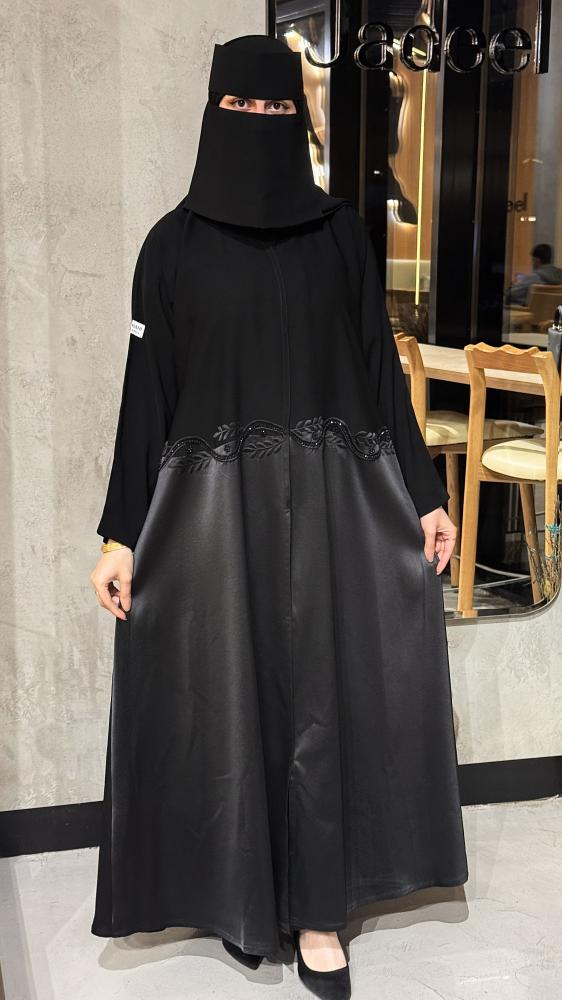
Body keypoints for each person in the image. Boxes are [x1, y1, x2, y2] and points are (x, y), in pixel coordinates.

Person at [89, 34, 468, 1000]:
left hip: (335, 516)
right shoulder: (169, 248)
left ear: (297, 119)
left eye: (274, 109)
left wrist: (427, 494)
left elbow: (379, 375)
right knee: (227, 701)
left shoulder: (339, 236)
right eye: (241, 108)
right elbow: (146, 398)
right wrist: (121, 534)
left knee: (321, 706)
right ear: (213, 113)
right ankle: (245, 899)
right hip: (216, 525)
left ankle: (319, 918)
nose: (258, 123)